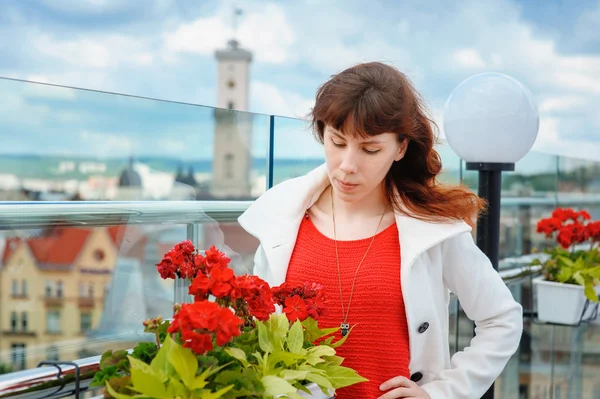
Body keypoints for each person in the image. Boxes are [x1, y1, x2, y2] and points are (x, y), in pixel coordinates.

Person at [238, 62, 523, 399]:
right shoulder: (282, 213)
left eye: (370, 149)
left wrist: (441, 393)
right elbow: (254, 329)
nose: (347, 166)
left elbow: (501, 319)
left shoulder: (433, 228)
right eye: (337, 142)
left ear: (400, 148)